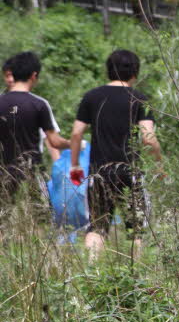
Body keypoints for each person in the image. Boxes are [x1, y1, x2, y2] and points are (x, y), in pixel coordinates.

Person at [69, 49, 162, 257]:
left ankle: (92, 276)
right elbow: (148, 137)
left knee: (97, 227)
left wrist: (75, 164)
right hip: (131, 172)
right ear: (135, 72)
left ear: (108, 70)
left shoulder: (92, 96)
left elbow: (76, 133)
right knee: (136, 230)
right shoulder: (139, 99)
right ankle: (136, 278)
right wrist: (159, 164)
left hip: (99, 172)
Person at [0, 51, 69, 210]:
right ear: (34, 75)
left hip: (3, 170)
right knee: (40, 217)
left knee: (3, 216)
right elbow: (54, 141)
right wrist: (75, 143)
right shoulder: (39, 104)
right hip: (32, 170)